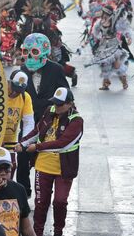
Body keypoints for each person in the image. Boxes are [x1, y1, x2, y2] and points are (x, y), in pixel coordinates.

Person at [17, 87, 83, 236]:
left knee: (60, 202)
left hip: (64, 168)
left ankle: (58, 231)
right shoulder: (50, 110)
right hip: (43, 166)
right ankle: (37, 232)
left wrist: (37, 147)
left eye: (60, 105)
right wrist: (22, 143)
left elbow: (63, 143)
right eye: (55, 103)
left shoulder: (76, 121)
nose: (56, 107)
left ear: (70, 104)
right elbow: (37, 130)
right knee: (40, 203)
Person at [18, 33, 69, 197]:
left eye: (33, 52)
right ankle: (23, 193)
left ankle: (46, 192)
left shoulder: (56, 69)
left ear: (44, 53)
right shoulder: (23, 70)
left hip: (49, 125)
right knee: (22, 157)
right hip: (28, 123)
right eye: (26, 52)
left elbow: (65, 94)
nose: (29, 57)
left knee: (47, 160)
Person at [2, 70, 35, 178]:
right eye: (14, 88)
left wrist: (23, 142)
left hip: (11, 140)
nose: (15, 93)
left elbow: (28, 122)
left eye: (19, 90)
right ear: (9, 82)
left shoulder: (25, 97)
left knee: (10, 167)